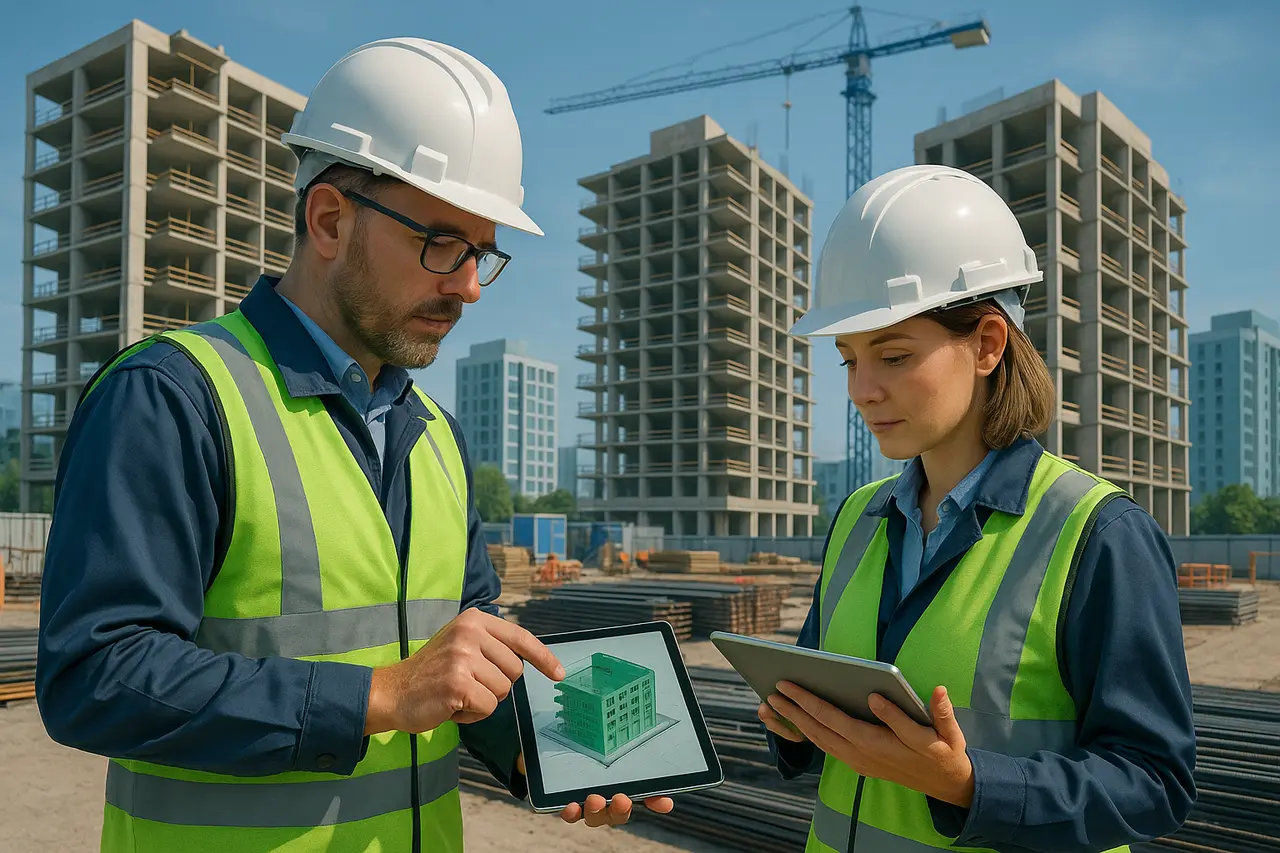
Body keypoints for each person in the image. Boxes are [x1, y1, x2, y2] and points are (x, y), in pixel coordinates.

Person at [35, 38, 671, 852]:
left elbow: (463, 663)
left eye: (481, 254)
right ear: (330, 220)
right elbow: (94, 675)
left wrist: (545, 750)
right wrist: (379, 695)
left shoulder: (435, 436)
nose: (468, 285)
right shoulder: (173, 397)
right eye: (442, 243)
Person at [756, 164, 1196, 853]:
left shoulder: (1098, 533)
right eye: (847, 359)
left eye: (893, 356)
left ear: (988, 344)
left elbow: (1155, 781)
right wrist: (794, 726)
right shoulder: (857, 520)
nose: (862, 390)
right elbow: (825, 721)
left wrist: (970, 786)